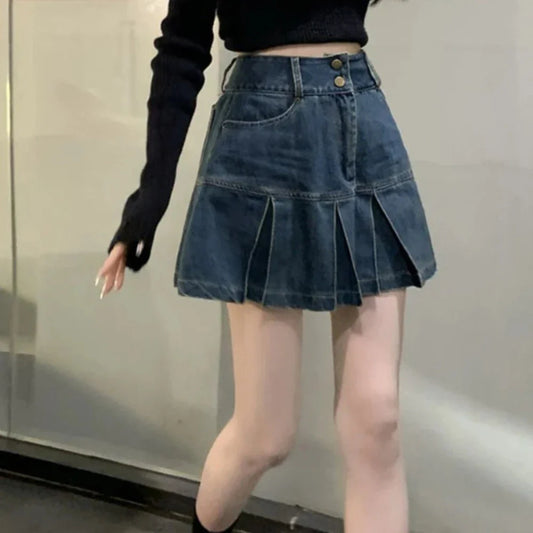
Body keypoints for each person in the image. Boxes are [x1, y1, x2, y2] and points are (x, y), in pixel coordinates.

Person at [96, 1, 437, 532]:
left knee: (377, 421)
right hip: (261, 128)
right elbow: (182, 48)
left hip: (361, 116)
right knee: (265, 435)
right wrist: (149, 198)